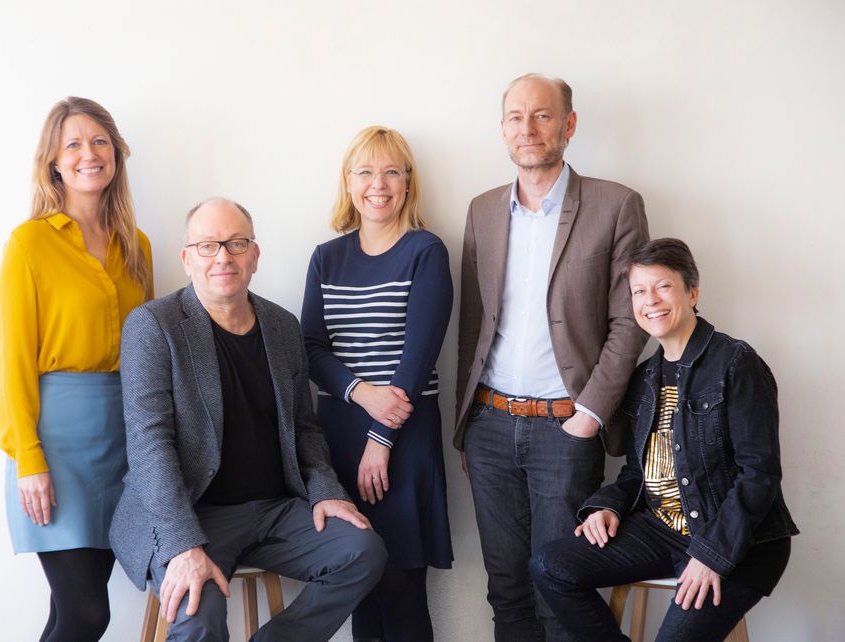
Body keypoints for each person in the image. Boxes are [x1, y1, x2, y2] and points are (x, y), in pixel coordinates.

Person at [110, 198, 387, 642]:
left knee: (363, 550)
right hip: (190, 512)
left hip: (274, 510)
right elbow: (149, 445)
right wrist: (183, 543)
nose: (223, 256)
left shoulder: (282, 326)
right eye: (207, 246)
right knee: (198, 614)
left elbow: (304, 428)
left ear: (254, 256)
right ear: (187, 259)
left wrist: (325, 493)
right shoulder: (152, 326)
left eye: (236, 243)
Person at [455, 73, 650, 640]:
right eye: (516, 117)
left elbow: (629, 320)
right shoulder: (482, 210)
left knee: (559, 587)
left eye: (542, 115)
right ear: (502, 130)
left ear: (568, 124)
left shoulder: (616, 205)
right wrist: (466, 423)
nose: (528, 128)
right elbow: (473, 324)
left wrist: (588, 416)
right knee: (506, 587)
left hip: (565, 426)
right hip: (489, 426)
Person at [529, 238, 799, 641]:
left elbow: (759, 474)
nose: (650, 300)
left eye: (663, 286)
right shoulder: (645, 377)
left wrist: (713, 555)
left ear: (692, 291)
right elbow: (639, 472)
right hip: (663, 531)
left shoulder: (736, 363)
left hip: (738, 542)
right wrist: (609, 507)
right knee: (551, 565)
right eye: (639, 291)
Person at [0, 96, 153, 641]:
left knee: (71, 617)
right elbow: (13, 360)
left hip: (125, 441)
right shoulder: (30, 244)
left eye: (100, 141)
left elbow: (148, 353)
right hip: (57, 445)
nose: (89, 153)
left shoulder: (137, 247)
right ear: (54, 163)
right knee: (87, 614)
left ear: (115, 154)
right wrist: (28, 458)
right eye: (74, 144)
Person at [301, 126, 454, 642]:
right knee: (357, 584)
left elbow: (418, 357)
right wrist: (360, 393)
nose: (378, 184)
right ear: (348, 182)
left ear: (408, 183)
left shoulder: (425, 251)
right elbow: (311, 348)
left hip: (403, 437)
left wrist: (380, 439)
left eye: (392, 171)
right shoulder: (327, 257)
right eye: (365, 172)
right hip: (340, 435)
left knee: (401, 585)